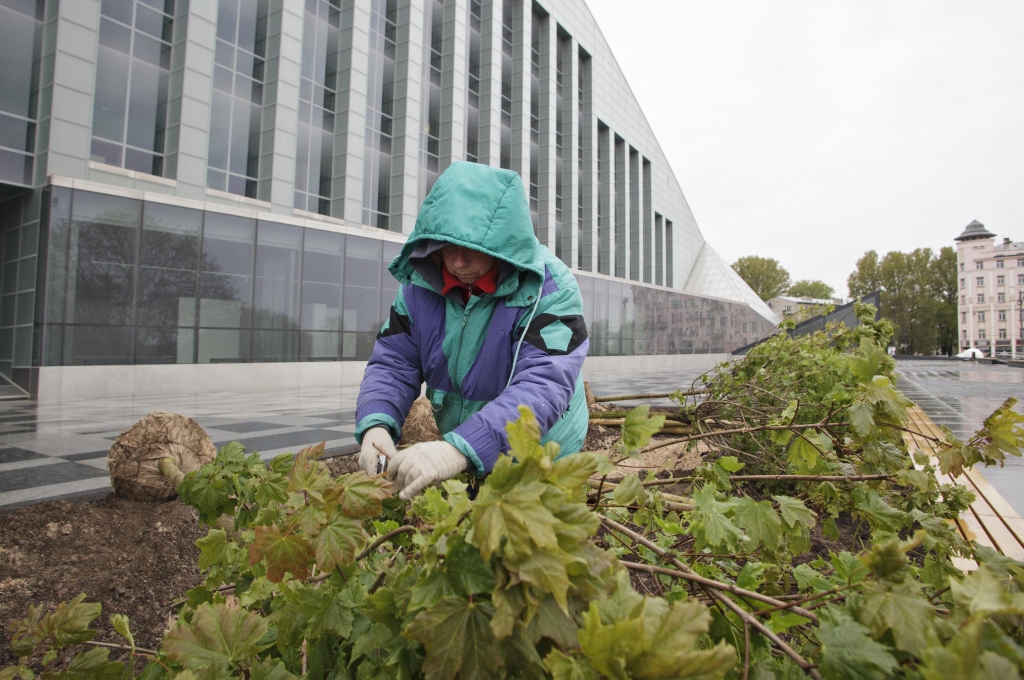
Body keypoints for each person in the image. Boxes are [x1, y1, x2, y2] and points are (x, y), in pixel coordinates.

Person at [355, 162, 589, 500]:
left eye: (472, 250)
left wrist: (458, 450)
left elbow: (543, 385)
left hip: (546, 447)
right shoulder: (419, 286)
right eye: (448, 248)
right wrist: (375, 424)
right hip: (467, 441)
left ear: (502, 244)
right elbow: (394, 362)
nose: (457, 263)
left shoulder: (550, 289)